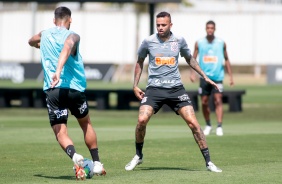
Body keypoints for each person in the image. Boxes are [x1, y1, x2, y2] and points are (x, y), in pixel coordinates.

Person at [124, 12, 222, 172]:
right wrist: (135, 85)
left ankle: (209, 162)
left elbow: (190, 58)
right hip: (154, 89)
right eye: (158, 25)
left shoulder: (179, 41)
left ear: (170, 25)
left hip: (176, 90)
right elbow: (139, 61)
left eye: (163, 25)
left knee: (194, 124)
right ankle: (138, 155)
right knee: (141, 120)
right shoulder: (148, 42)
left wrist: (204, 76)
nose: (160, 28)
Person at [28, 6, 106, 180]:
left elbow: (31, 41)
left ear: (54, 20)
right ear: (70, 20)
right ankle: (97, 163)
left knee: (60, 132)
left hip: (53, 89)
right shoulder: (74, 35)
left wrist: (41, 47)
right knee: (86, 124)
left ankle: (75, 156)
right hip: (75, 89)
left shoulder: (45, 34)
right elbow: (67, 47)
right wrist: (60, 68)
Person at [190, 20, 234, 136]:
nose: (210, 30)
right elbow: (192, 59)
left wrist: (231, 76)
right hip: (204, 78)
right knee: (204, 102)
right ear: (205, 29)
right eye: (208, 28)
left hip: (217, 77)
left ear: (214, 29)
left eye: (212, 28)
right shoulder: (199, 43)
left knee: (218, 100)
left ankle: (219, 126)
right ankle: (208, 124)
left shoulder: (221, 43)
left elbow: (227, 59)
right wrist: (192, 73)